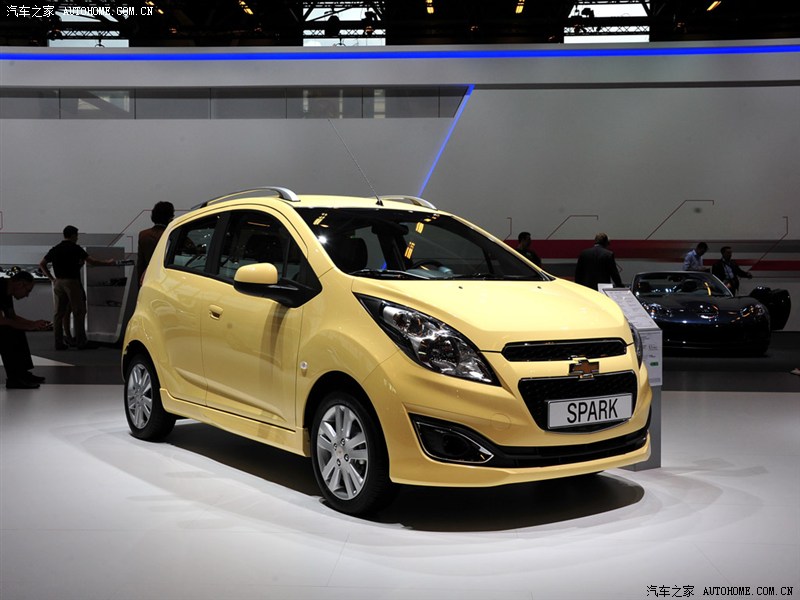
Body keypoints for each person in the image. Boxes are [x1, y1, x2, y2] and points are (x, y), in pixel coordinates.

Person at [39, 225, 116, 350]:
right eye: (77, 236)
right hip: (72, 282)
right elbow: (92, 261)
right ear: (73, 235)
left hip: (58, 282)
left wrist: (52, 279)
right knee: (78, 312)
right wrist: (108, 262)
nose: (77, 238)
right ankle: (81, 342)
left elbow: (42, 264)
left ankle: (59, 343)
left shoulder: (55, 249)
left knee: (59, 314)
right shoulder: (76, 248)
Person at [0, 271, 50, 389]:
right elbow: (1, 320)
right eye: (27, 291)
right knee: (6, 333)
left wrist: (34, 324)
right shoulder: (0, 288)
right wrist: (29, 326)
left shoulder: (7, 290)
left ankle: (21, 373)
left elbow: (12, 317)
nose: (27, 295)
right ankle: (14, 378)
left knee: (16, 330)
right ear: (20, 284)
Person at [137, 201, 175, 285]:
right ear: (170, 218)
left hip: (149, 279)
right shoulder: (172, 235)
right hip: (168, 279)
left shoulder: (143, 235)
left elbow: (140, 264)